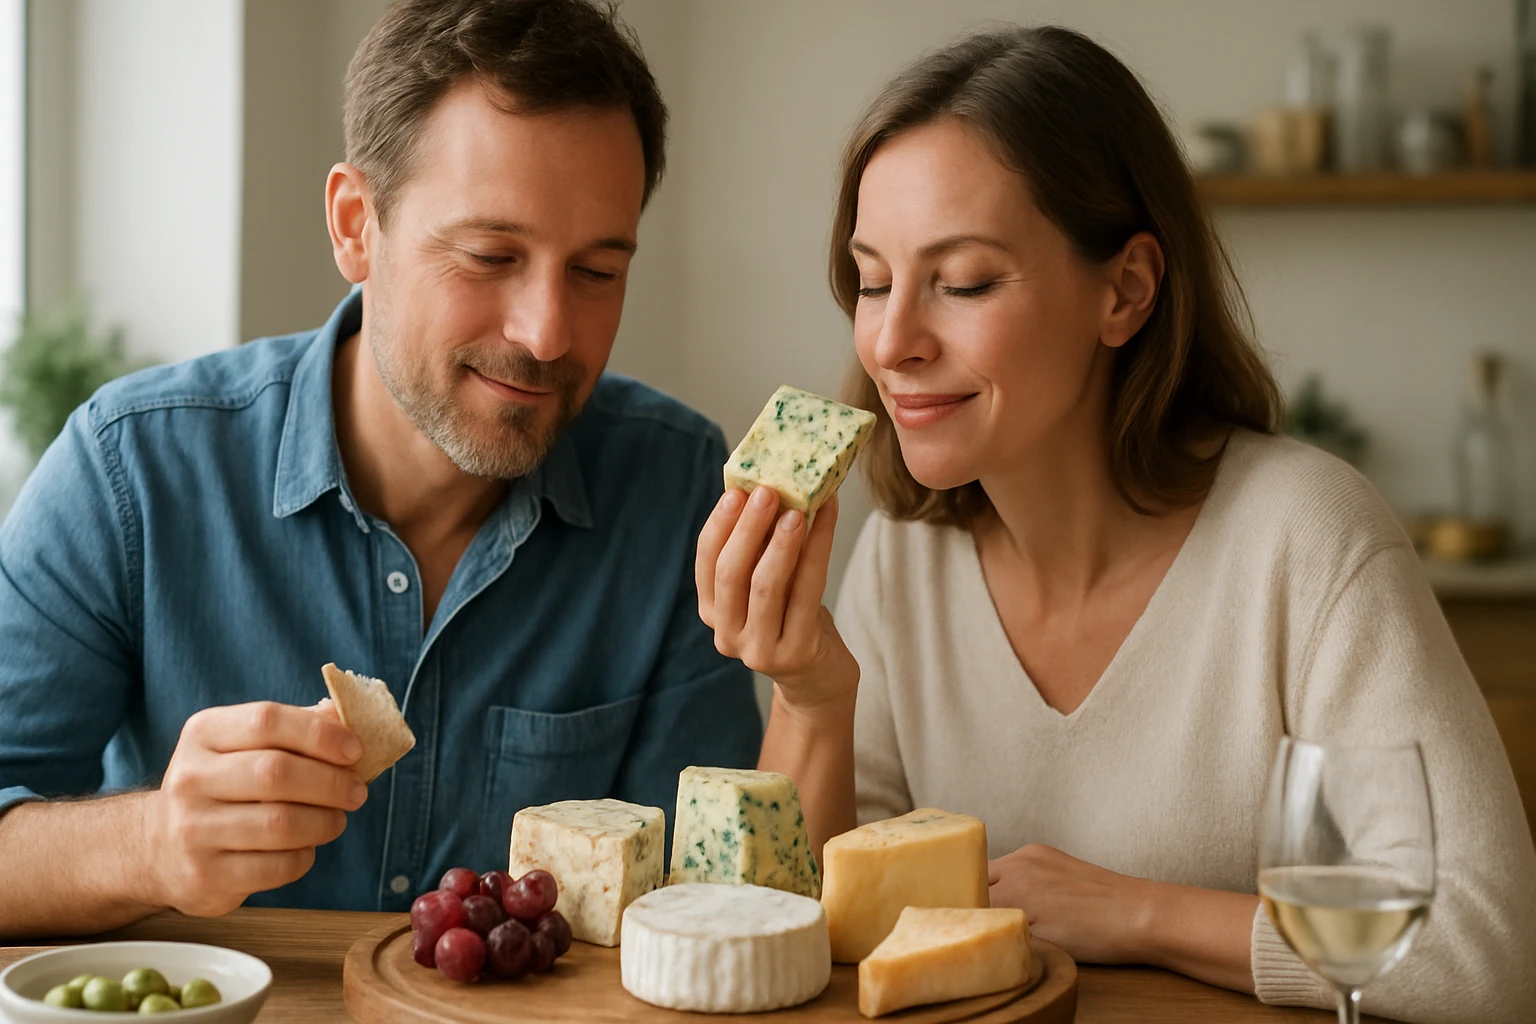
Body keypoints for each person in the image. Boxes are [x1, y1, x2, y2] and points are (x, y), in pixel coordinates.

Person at [697, 25, 1536, 1024]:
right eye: (872, 280)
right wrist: (811, 695)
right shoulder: (904, 558)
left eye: (962, 282)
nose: (890, 340)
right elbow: (799, 940)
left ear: (1126, 289)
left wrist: (1139, 911)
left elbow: (1485, 949)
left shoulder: (1308, 540)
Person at [0, 0, 760, 938]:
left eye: (598, 272)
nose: (549, 333)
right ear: (357, 225)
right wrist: (152, 841)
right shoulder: (130, 471)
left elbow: (706, 906)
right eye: (491, 255)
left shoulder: (677, 486)